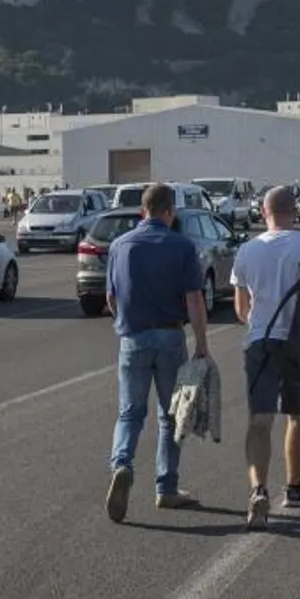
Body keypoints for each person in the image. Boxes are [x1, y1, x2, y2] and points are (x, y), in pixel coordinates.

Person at [231, 185, 300, 529]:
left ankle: (258, 490)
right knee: (299, 417)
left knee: (259, 422)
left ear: (264, 212)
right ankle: (294, 487)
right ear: (295, 212)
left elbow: (240, 308)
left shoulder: (247, 250)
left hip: (261, 342)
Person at [104, 183, 211, 522]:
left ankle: (122, 465)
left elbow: (111, 298)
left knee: (130, 413)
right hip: (169, 336)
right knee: (171, 416)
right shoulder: (181, 246)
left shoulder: (120, 245)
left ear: (142, 211)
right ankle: (166, 488)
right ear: (171, 211)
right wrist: (202, 344)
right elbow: (194, 298)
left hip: (132, 337)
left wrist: (125, 322)